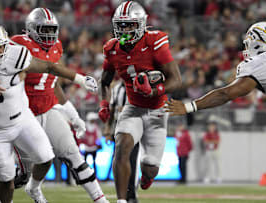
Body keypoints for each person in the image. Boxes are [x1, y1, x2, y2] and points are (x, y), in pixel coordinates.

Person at [164, 21, 266, 203]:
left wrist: (190, 106)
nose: (246, 46)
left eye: (250, 41)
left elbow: (225, 93)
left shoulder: (257, 66)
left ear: (259, 41)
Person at [0, 21, 97, 203]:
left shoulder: (16, 54)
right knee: (7, 180)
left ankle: (33, 188)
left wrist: (79, 79)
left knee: (46, 158)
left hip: (22, 119)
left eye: (0, 47)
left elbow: (49, 67)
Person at [10, 8, 109, 203]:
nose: (48, 35)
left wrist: (73, 116)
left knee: (74, 155)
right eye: (43, 30)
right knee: (24, 173)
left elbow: (53, 83)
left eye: (51, 30)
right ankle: (0, 191)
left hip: (48, 110)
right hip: (24, 114)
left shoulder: (56, 47)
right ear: (31, 29)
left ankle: (101, 200)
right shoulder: (18, 44)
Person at [99, 1, 182, 202]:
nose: (124, 30)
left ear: (142, 24)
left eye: (129, 25)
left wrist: (155, 90)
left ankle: (146, 176)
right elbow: (104, 81)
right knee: (122, 146)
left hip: (157, 110)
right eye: (121, 25)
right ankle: (121, 200)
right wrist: (104, 103)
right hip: (133, 107)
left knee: (151, 168)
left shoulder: (154, 41)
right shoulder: (112, 49)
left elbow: (176, 79)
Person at [103, 79, 140, 203]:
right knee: (119, 160)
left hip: (135, 129)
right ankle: (122, 196)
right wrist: (108, 130)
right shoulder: (117, 88)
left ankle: (132, 194)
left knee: (132, 162)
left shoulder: (139, 86)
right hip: (119, 129)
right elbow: (112, 109)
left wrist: (127, 109)